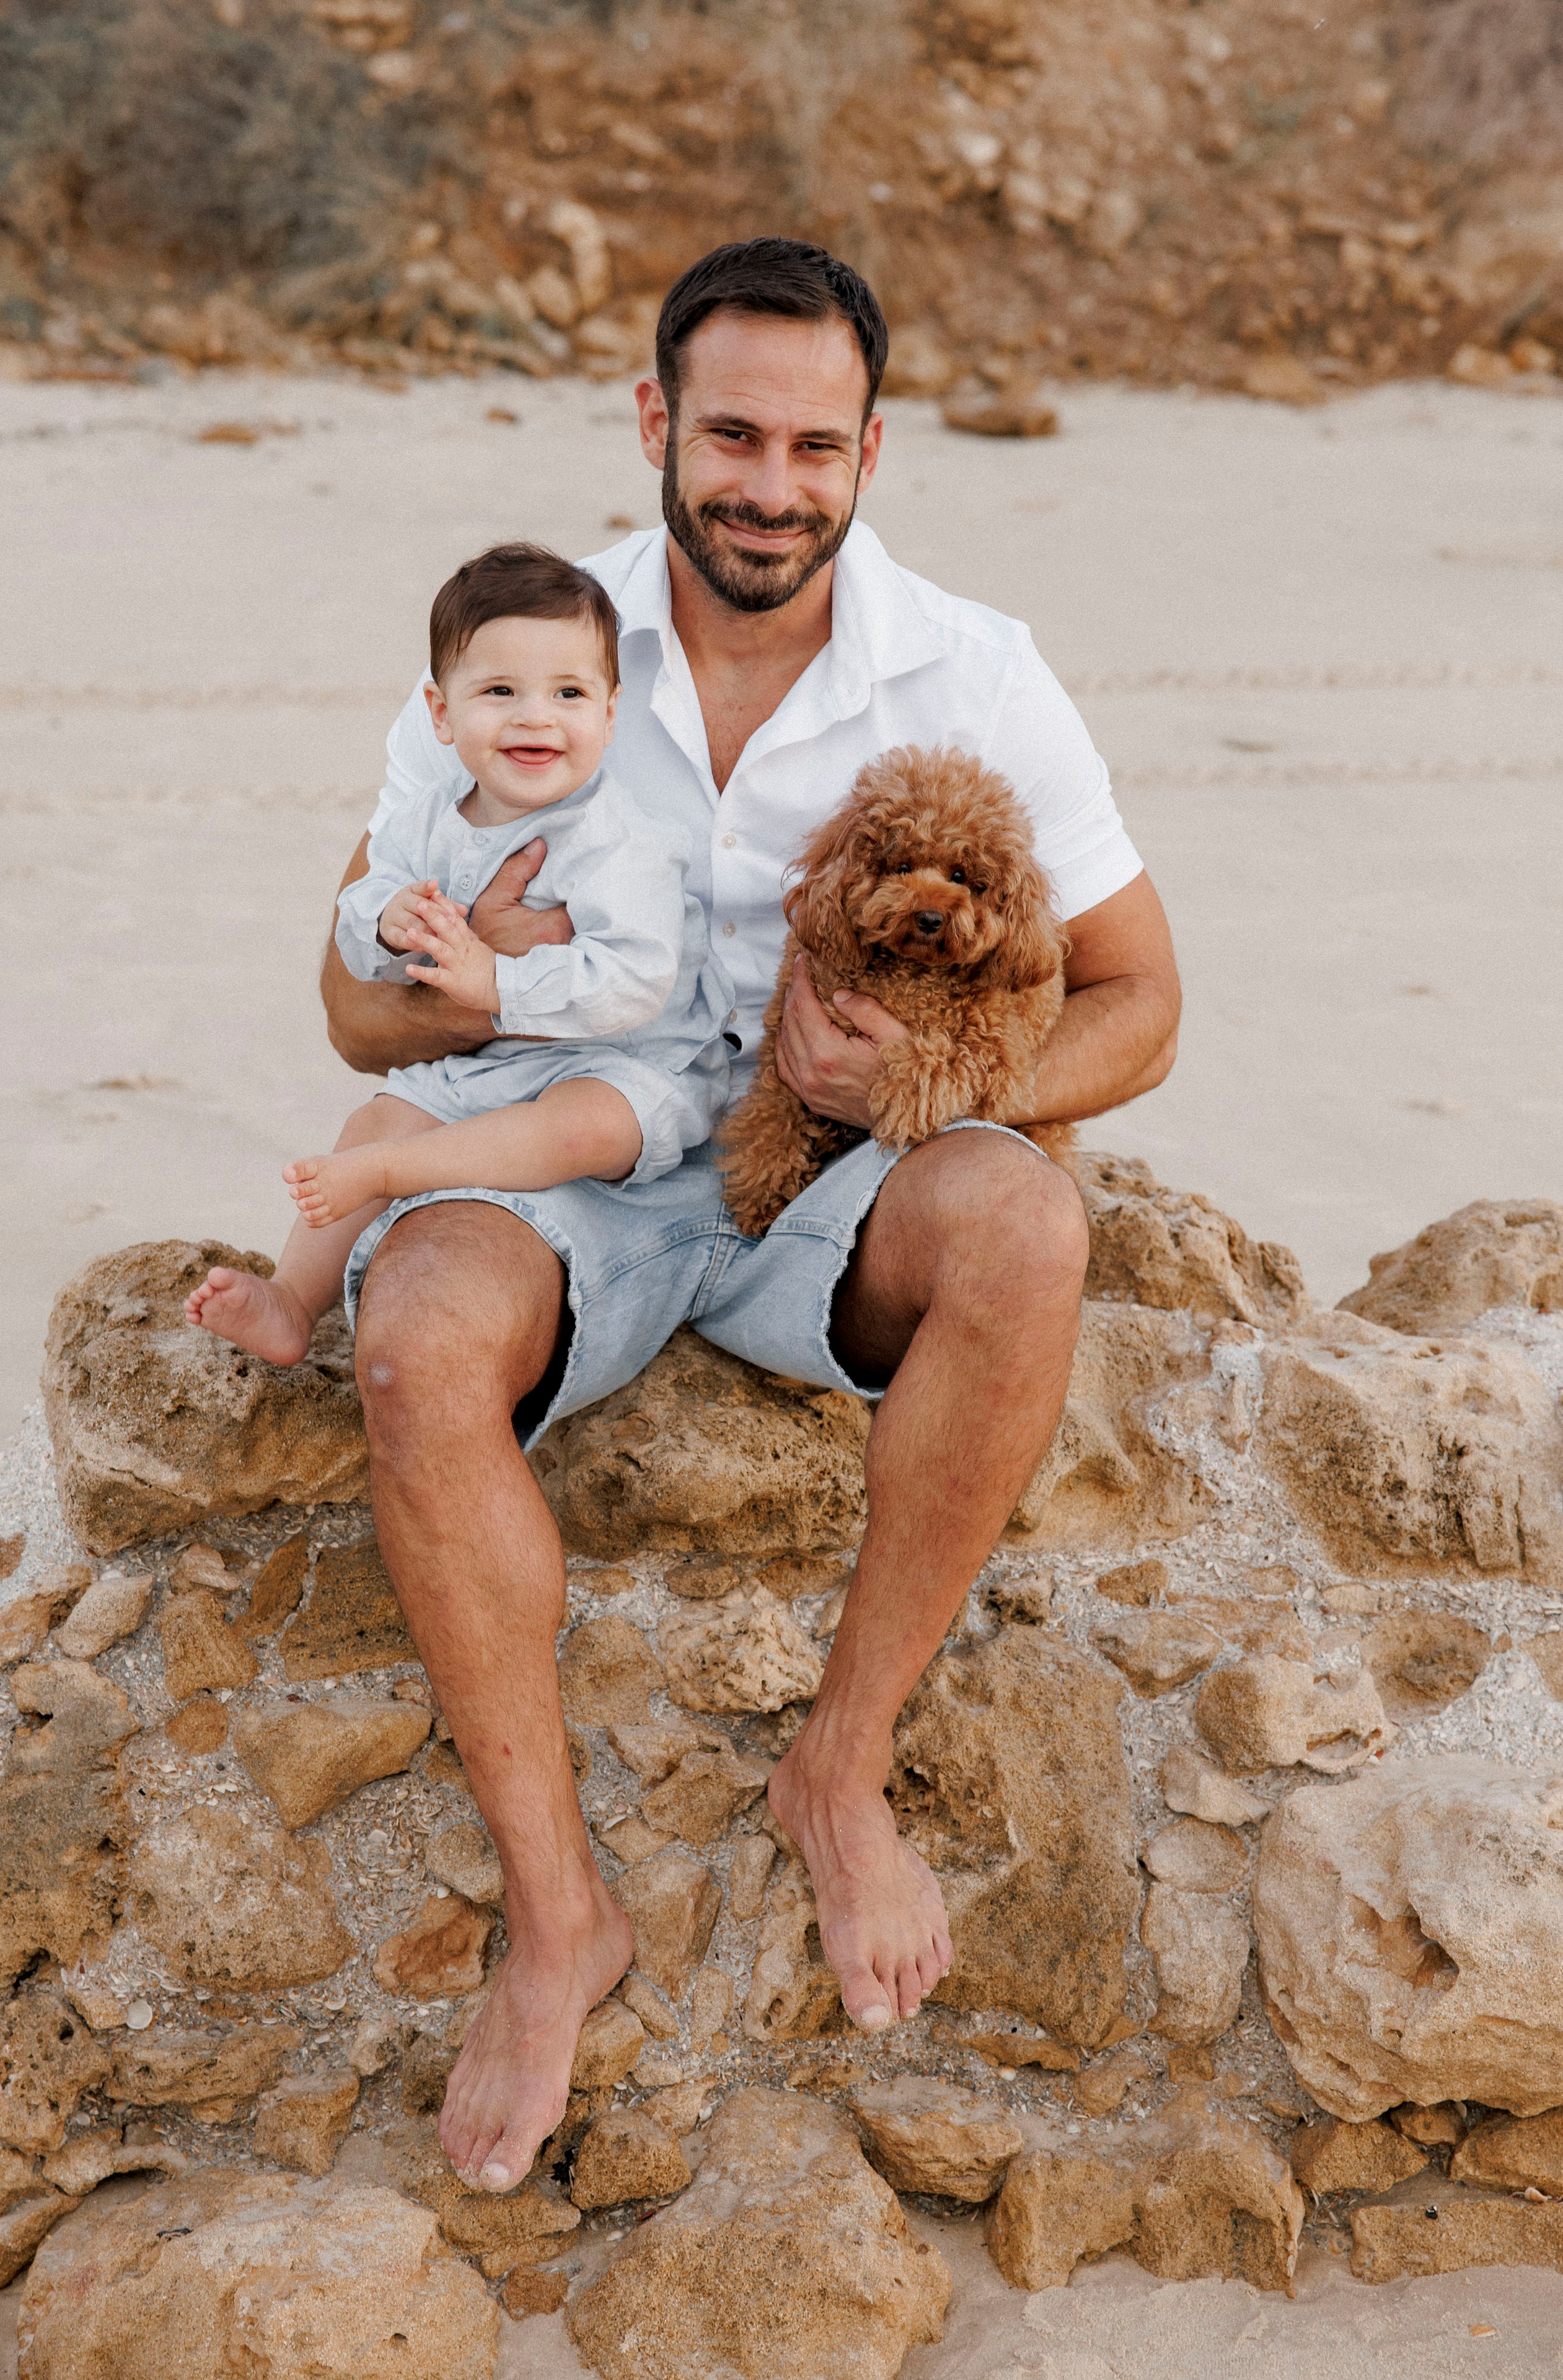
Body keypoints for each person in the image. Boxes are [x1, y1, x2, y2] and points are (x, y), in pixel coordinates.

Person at [321, 237, 1182, 2195]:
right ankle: (560, 1917)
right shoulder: (530, 637)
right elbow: (352, 1003)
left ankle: (839, 1767)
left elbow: (1144, 1003)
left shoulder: (975, 669)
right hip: (573, 1147)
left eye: (813, 446)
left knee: (1028, 1227)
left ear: (872, 449)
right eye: (731, 437)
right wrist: (468, 983)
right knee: (416, 1328)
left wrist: (924, 1090)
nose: (769, 487)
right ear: (656, 420)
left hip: (846, 1181)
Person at [185, 543, 731, 1365]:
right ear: (442, 714)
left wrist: (496, 981)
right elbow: (358, 918)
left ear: (610, 714)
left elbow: (637, 981)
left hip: (625, 1062)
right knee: (372, 1119)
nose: (536, 718)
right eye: (500, 691)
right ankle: (291, 1300)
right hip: (493, 1063)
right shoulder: (428, 818)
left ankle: (397, 1171)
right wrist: (386, 920)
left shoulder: (621, 841)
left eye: (570, 693)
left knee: (581, 1125)